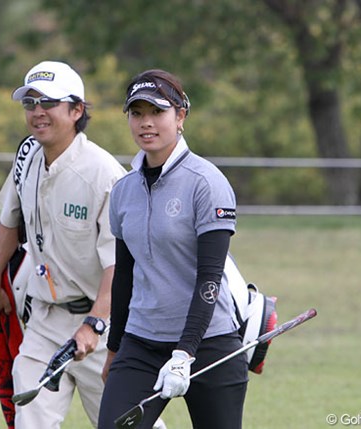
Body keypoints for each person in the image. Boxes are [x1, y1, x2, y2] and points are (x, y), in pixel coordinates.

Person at [98, 69, 248, 429]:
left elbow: (209, 278)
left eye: (157, 112)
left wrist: (185, 352)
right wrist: (114, 349)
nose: (146, 123)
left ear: (180, 117)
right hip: (142, 342)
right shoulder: (124, 190)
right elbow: (125, 278)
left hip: (209, 342)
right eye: (137, 113)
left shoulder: (206, 183)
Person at [0, 60, 126, 429]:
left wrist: (94, 325)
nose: (37, 112)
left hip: (100, 326)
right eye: (30, 103)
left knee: (125, 423)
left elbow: (120, 265)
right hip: (44, 319)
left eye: (48, 102)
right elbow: (9, 220)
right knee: (31, 421)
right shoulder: (27, 156)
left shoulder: (104, 174)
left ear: (77, 110)